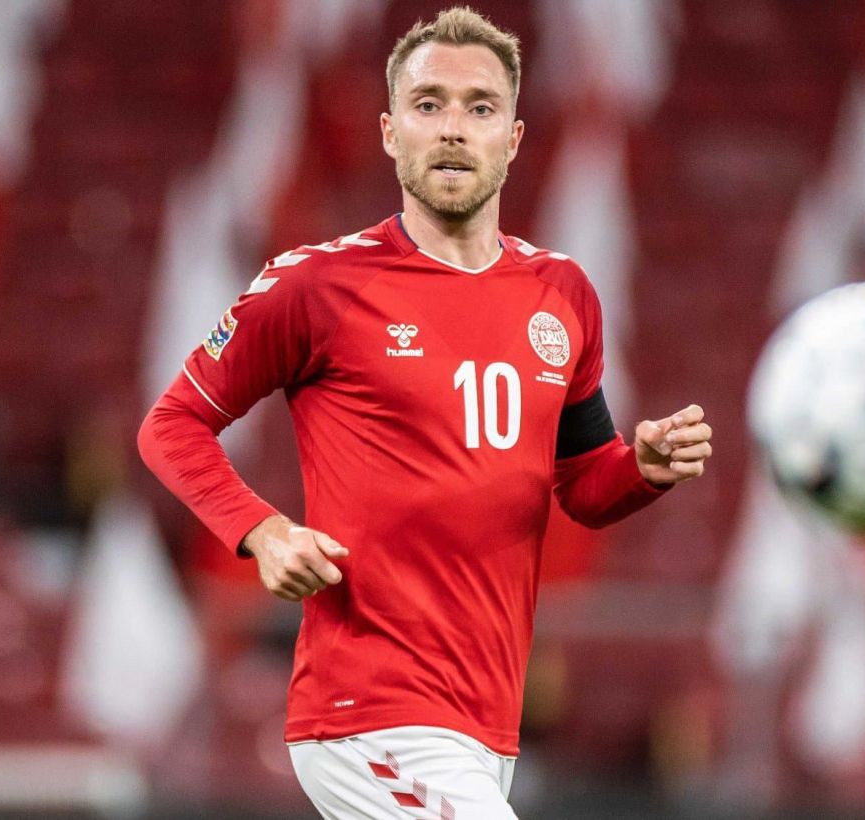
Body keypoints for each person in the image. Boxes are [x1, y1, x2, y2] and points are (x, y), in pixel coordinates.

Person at [138, 7, 712, 818]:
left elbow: (583, 484)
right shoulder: (318, 286)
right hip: (370, 715)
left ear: (512, 138)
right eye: (428, 103)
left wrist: (641, 471)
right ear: (389, 131)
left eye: (480, 107)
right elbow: (170, 425)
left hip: (485, 723)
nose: (453, 128)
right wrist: (262, 531)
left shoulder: (563, 295)